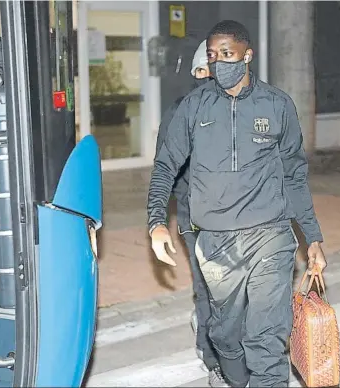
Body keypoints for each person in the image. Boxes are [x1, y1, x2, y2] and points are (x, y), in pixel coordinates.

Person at [147, 20, 327, 388]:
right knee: (227, 338)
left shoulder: (277, 105)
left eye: (226, 54)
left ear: (247, 55)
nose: (219, 63)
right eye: (213, 56)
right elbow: (165, 165)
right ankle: (232, 374)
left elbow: (294, 174)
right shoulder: (194, 106)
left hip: (270, 237)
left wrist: (313, 238)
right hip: (215, 242)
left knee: (265, 340)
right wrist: (156, 222)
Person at [154, 40, 227, 388]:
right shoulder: (182, 112)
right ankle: (213, 358)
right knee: (210, 286)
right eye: (208, 71)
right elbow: (164, 169)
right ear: (199, 72)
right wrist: (157, 221)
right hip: (196, 216)